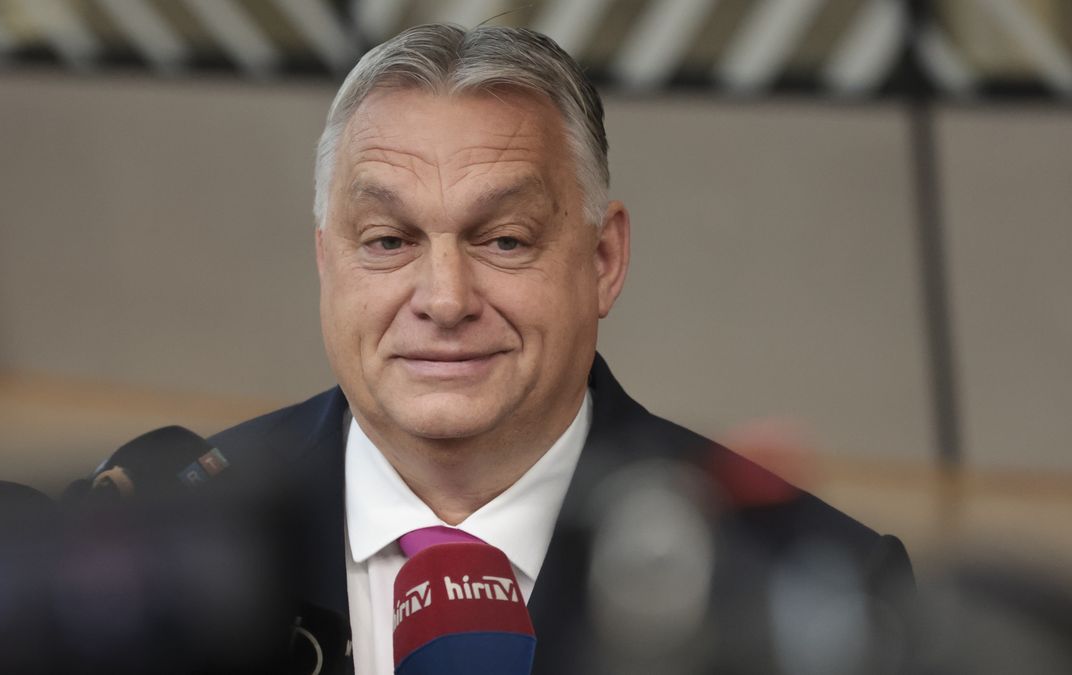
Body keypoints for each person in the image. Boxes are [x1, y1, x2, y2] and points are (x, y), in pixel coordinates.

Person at [210, 23, 914, 675]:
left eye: (506, 240)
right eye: (389, 241)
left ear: (603, 260)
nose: (446, 300)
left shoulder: (809, 585)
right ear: (327, 262)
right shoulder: (170, 538)